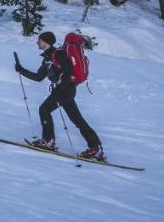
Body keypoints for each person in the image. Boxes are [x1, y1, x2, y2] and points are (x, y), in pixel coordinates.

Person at [14, 31, 104, 161]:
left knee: (44, 109)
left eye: (39, 40)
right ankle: (96, 148)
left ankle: (48, 141)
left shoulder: (59, 54)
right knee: (76, 119)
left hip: (65, 90)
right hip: (65, 91)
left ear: (46, 41)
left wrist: (60, 88)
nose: (37, 42)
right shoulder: (47, 59)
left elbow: (69, 72)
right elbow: (39, 77)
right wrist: (21, 70)